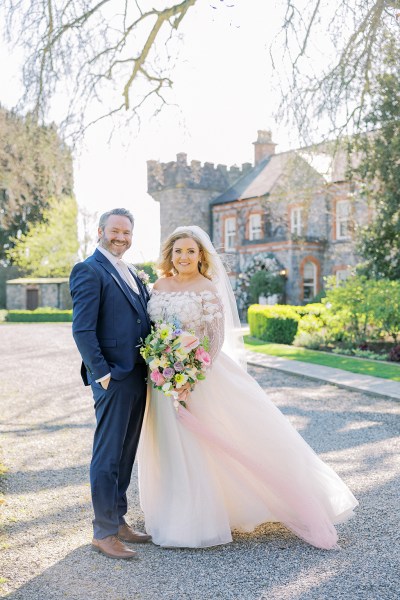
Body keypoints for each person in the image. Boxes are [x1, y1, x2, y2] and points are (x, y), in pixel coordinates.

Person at [138, 225, 358, 550]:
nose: (183, 257)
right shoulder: (159, 285)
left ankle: (204, 519)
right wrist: (163, 366)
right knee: (169, 446)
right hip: (160, 380)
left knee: (207, 444)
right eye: (178, 251)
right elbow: (153, 331)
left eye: (190, 251)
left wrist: (190, 376)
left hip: (199, 378)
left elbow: (215, 339)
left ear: (201, 256)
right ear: (170, 254)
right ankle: (174, 515)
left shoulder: (207, 288)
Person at [70, 208, 152, 560]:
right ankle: (102, 532)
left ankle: (118, 520)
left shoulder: (132, 271)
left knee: (126, 452)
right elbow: (83, 329)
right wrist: (101, 373)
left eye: (127, 232)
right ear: (101, 231)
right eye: (115, 231)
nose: (121, 237)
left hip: (139, 374)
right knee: (107, 454)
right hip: (113, 378)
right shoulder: (88, 270)